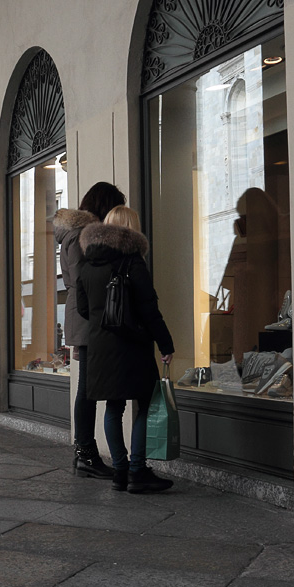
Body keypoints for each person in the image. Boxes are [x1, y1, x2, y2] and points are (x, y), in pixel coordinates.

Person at [76, 205, 175, 493]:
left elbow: (84, 309)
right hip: (132, 346)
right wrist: (165, 344)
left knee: (113, 407)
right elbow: (149, 311)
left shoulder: (86, 264)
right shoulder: (132, 263)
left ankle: (120, 470)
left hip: (99, 348)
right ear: (131, 229)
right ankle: (137, 470)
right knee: (145, 403)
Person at [54, 181, 125, 478]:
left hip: (85, 316)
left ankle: (85, 453)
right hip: (90, 318)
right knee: (87, 389)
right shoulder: (84, 235)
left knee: (87, 387)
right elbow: (87, 282)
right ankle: (85, 453)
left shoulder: (75, 234)